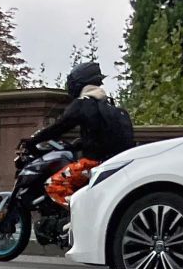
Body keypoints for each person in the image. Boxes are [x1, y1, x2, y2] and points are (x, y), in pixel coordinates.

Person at [29, 62, 135, 207]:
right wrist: (80, 143)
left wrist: (33, 140)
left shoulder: (83, 104)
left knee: (54, 185)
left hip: (93, 165)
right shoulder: (109, 105)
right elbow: (103, 135)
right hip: (116, 163)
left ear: (78, 83)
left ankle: (77, 217)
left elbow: (59, 127)